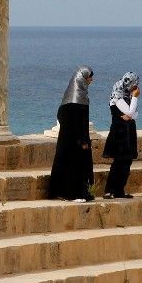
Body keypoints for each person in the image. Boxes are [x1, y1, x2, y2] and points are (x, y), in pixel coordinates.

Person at [48, 65, 96, 202]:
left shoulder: (70, 97)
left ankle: (74, 193)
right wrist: (83, 141)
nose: (91, 80)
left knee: (71, 164)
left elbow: (60, 116)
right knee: (73, 165)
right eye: (89, 77)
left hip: (69, 140)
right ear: (82, 78)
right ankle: (71, 194)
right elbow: (78, 122)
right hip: (76, 141)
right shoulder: (77, 99)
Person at [103, 71, 140, 199]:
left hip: (128, 131)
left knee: (127, 161)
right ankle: (109, 190)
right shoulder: (117, 96)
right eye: (134, 85)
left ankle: (120, 190)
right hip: (119, 133)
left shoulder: (127, 96)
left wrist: (130, 114)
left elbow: (134, 115)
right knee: (118, 161)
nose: (136, 88)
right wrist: (135, 97)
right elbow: (130, 112)